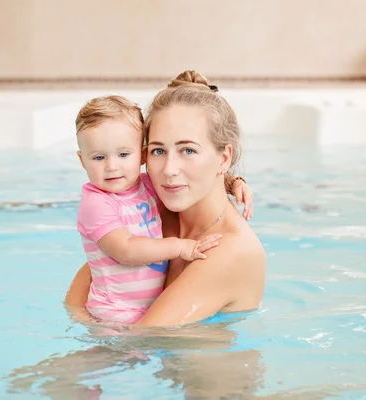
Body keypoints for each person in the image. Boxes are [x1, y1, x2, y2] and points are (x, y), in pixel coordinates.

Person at [66, 70, 266, 327]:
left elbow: (144, 337)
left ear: (224, 158)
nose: (168, 169)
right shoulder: (155, 214)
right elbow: (78, 298)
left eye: (188, 150)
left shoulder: (231, 251)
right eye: (159, 150)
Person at [74, 95, 225, 324]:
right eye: (98, 157)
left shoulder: (145, 185)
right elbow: (125, 250)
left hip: (143, 309)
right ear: (82, 160)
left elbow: (187, 186)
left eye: (123, 154)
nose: (112, 166)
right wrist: (181, 247)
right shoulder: (96, 203)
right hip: (114, 313)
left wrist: (234, 184)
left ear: (142, 155)